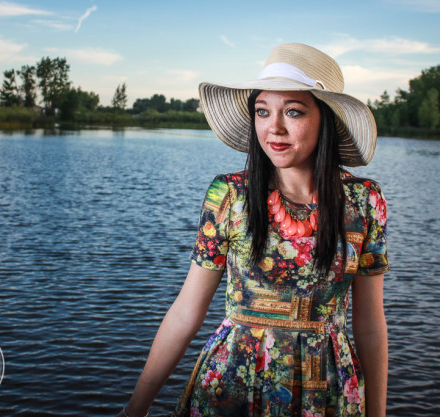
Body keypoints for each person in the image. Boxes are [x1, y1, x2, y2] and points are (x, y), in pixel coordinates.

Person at [118, 43, 389, 417]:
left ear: (326, 119)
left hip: (326, 391)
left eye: (293, 112)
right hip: (233, 384)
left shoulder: (363, 202)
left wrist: (378, 412)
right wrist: (136, 408)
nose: (273, 128)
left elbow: (370, 322)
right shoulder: (229, 195)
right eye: (262, 112)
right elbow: (186, 311)